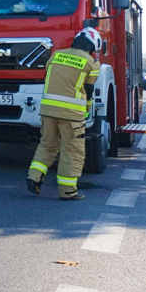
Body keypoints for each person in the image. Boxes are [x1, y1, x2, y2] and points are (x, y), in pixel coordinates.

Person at [26, 27, 102, 201]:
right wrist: (87, 108)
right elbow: (88, 90)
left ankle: (34, 177)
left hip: (48, 110)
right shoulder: (91, 63)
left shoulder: (56, 55)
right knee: (72, 151)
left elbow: (50, 79)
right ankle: (68, 191)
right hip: (71, 114)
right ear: (93, 46)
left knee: (47, 145)